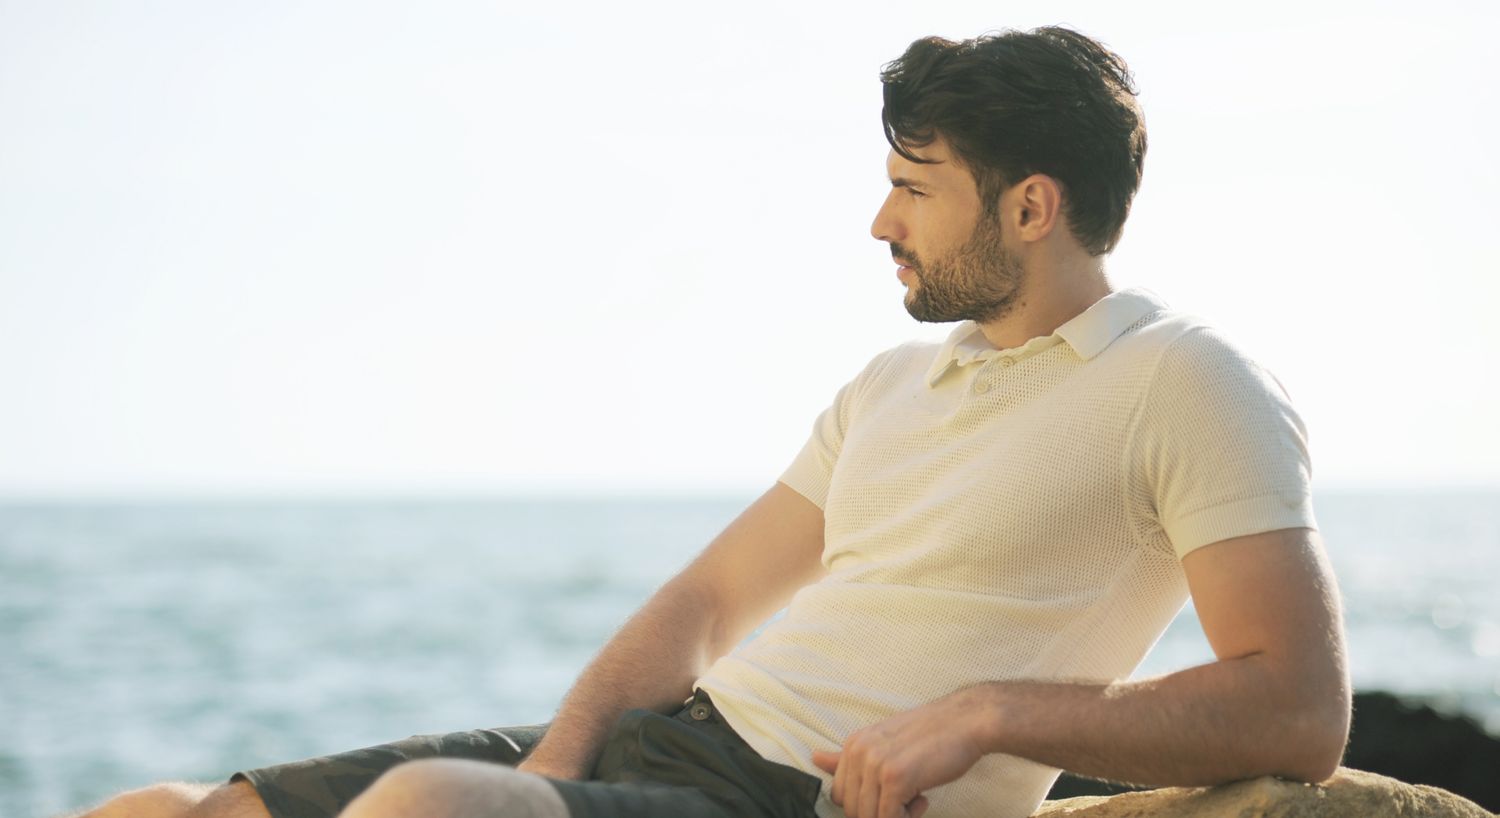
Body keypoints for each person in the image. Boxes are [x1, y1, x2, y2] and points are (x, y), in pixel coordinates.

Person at [77, 24, 1351, 818]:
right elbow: (701, 606)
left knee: (423, 809)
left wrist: (990, 712)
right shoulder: (893, 386)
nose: (880, 221)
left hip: (799, 799)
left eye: (915, 188)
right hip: (674, 745)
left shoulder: (1185, 377)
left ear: (1030, 206)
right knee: (164, 808)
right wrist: (558, 766)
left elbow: (1296, 707)